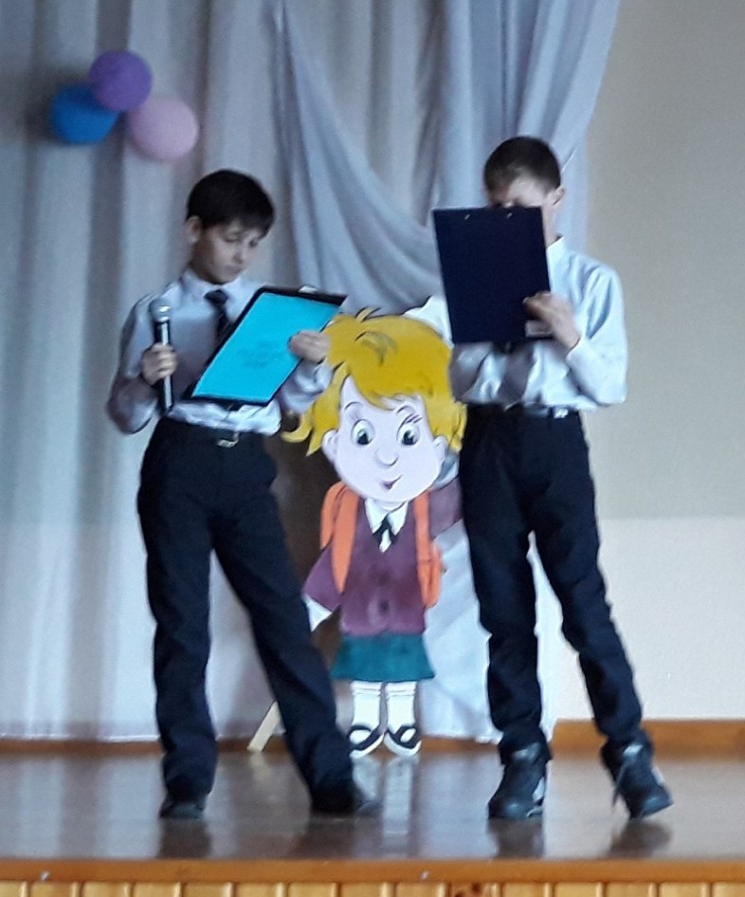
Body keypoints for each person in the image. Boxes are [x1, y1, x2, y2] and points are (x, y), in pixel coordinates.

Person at [106, 169, 373, 821]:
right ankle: (187, 783)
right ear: (194, 230)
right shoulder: (157, 310)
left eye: (253, 243)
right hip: (180, 461)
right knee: (181, 625)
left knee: (284, 621)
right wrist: (142, 379)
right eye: (230, 239)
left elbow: (289, 404)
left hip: (248, 467)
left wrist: (310, 364)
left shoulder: (269, 310)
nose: (241, 255)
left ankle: (332, 779)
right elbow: (125, 415)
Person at [450, 136, 672, 821]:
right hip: (489, 440)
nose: (507, 219)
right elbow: (460, 378)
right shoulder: (479, 273)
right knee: (503, 611)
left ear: (555, 200)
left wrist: (569, 335)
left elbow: (611, 386)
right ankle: (522, 756)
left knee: (583, 604)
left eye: (520, 206)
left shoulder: (592, 282)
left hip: (555, 444)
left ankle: (628, 752)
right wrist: (497, 343)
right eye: (495, 207)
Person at [290, 309, 465, 759]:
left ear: (438, 442)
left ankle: (402, 722)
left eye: (408, 436)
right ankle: (367, 721)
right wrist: (309, 611)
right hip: (360, 619)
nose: (387, 458)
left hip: (407, 616)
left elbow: (457, 503)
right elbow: (332, 566)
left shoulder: (427, 510)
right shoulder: (347, 516)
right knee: (365, 674)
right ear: (334, 441)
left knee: (404, 673)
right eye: (364, 435)